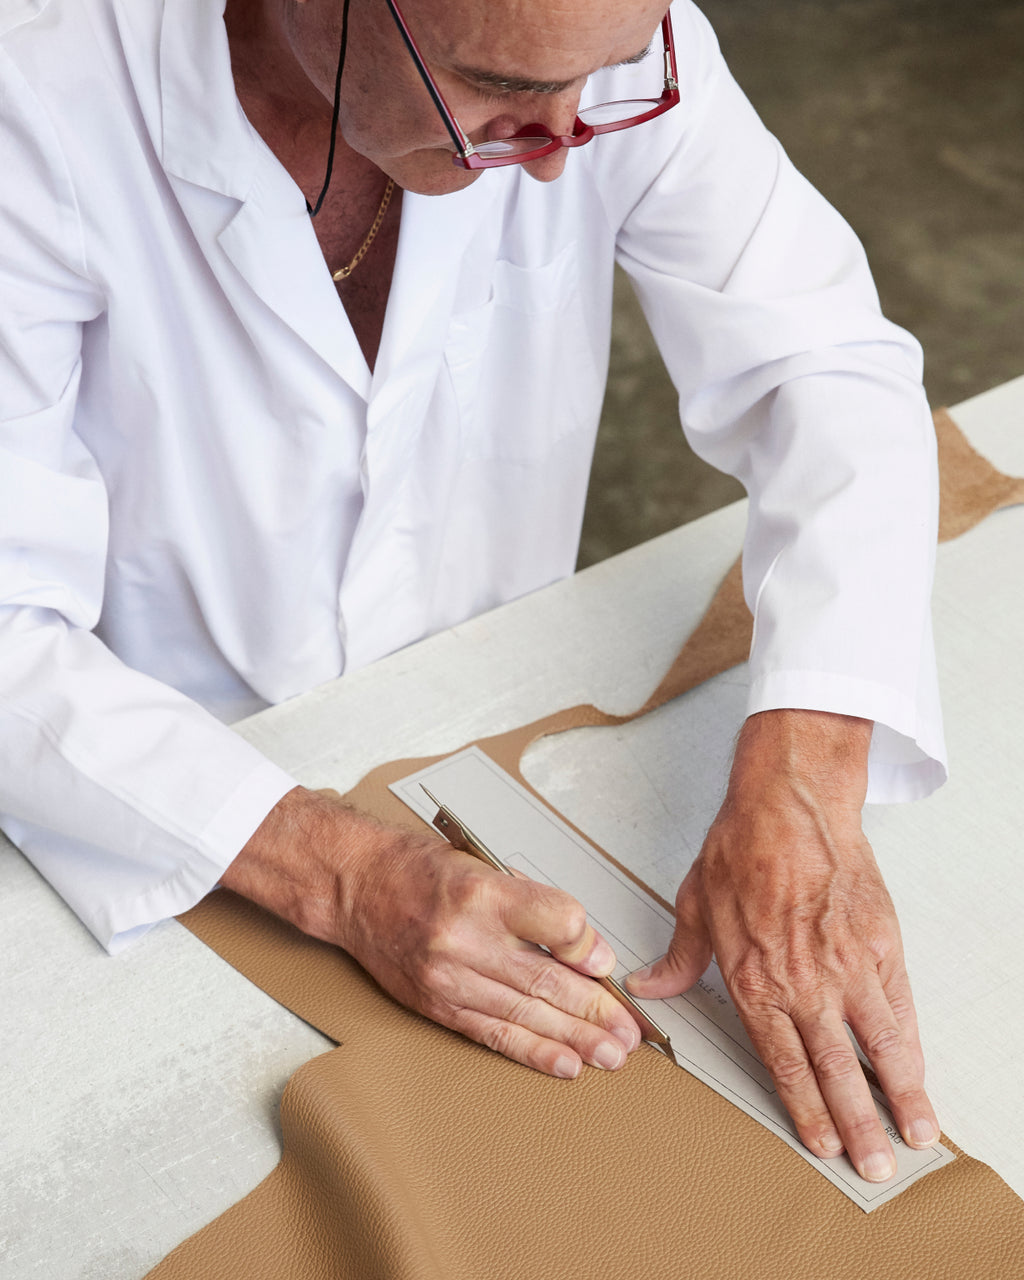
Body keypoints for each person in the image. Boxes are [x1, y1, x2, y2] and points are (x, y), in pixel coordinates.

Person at [0, 0, 945, 1184]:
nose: (560, 150)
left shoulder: (599, 48)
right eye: (496, 86)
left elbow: (823, 364)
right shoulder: (35, 96)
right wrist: (342, 873)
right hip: (149, 776)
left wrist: (808, 759)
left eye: (603, 82)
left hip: (502, 706)